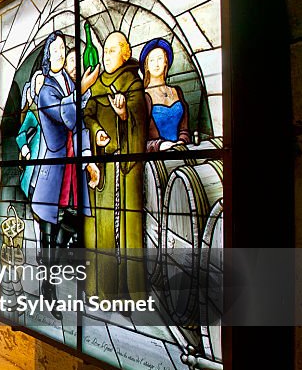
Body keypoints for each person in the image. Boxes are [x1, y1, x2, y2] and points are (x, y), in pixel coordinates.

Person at [83, 31, 147, 300]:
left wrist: (123, 115)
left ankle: (132, 291)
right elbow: (88, 113)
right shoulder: (98, 85)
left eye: (112, 50)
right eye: (105, 50)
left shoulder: (133, 82)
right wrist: (97, 130)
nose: (107, 55)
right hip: (104, 164)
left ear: (126, 53)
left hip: (127, 166)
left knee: (128, 226)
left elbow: (138, 120)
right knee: (104, 226)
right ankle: (104, 289)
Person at [30, 32, 99, 252]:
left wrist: (87, 158)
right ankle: (48, 279)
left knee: (72, 216)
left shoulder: (69, 85)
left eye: (62, 49)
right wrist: (83, 89)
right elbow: (64, 113)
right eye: (55, 50)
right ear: (48, 56)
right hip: (55, 164)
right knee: (49, 223)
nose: (60, 54)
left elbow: (79, 124)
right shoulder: (46, 91)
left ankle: (55, 259)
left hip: (73, 162)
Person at [140, 38, 191, 152]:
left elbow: (185, 129)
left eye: (159, 58)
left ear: (166, 62)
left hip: (180, 151)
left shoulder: (176, 92)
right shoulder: (143, 97)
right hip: (157, 159)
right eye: (152, 60)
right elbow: (138, 140)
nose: (156, 64)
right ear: (146, 65)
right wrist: (159, 145)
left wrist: (182, 141)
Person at [15, 71, 45, 200]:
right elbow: (21, 134)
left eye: (45, 83)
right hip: (37, 155)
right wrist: (25, 148)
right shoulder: (33, 110)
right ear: (34, 87)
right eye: (39, 83)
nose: (42, 86)